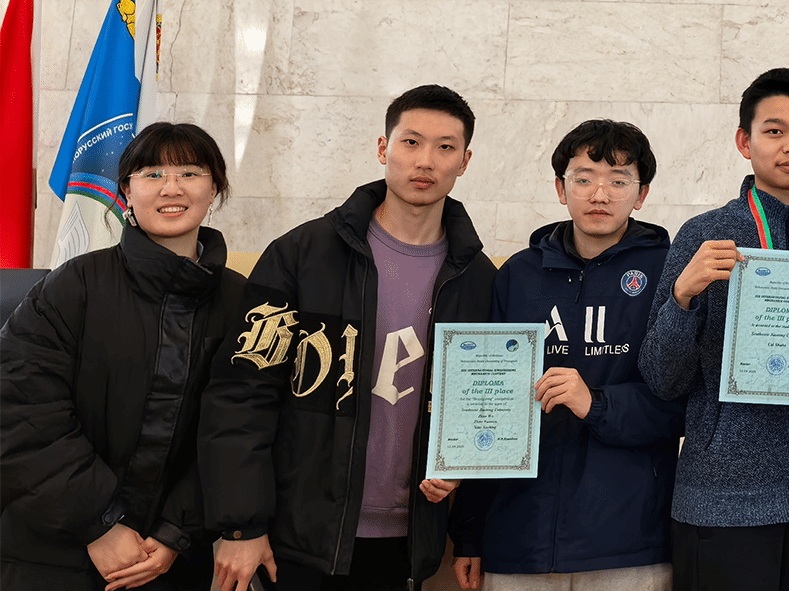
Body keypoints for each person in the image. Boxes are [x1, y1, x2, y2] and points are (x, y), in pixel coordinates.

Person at [199, 84, 498, 591]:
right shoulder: (302, 254)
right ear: (383, 148)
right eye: (411, 142)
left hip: (407, 541)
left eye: (445, 147)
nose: (426, 161)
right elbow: (242, 395)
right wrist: (241, 524)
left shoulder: (478, 279)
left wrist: (467, 510)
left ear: (464, 162)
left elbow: (484, 409)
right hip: (298, 536)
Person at [1, 122, 244, 590]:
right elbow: (20, 410)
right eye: (152, 174)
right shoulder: (74, 285)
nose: (171, 188)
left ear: (214, 188)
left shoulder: (241, 302)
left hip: (171, 560)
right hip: (51, 551)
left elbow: (236, 431)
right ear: (127, 192)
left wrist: (174, 532)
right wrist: (100, 523)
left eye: (190, 173)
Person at [637, 67, 789, 591]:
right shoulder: (705, 234)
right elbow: (661, 379)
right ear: (744, 141)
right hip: (721, 504)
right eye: (774, 131)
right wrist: (682, 297)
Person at [449, 119, 682, 591]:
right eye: (583, 178)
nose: (600, 194)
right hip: (519, 539)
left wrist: (596, 403)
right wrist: (469, 532)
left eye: (619, 181)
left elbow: (683, 403)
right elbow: (484, 403)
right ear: (561, 188)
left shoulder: (669, 273)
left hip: (628, 542)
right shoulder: (517, 276)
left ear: (641, 194)